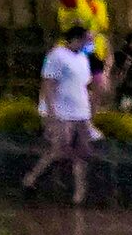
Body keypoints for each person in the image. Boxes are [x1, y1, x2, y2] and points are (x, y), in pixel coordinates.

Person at [24, 25, 99, 206]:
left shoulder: (82, 57)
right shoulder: (56, 56)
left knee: (82, 151)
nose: (90, 42)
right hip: (62, 111)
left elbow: (83, 84)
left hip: (80, 111)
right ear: (77, 38)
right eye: (87, 38)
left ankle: (79, 193)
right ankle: (31, 179)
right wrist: (52, 113)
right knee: (59, 149)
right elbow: (48, 84)